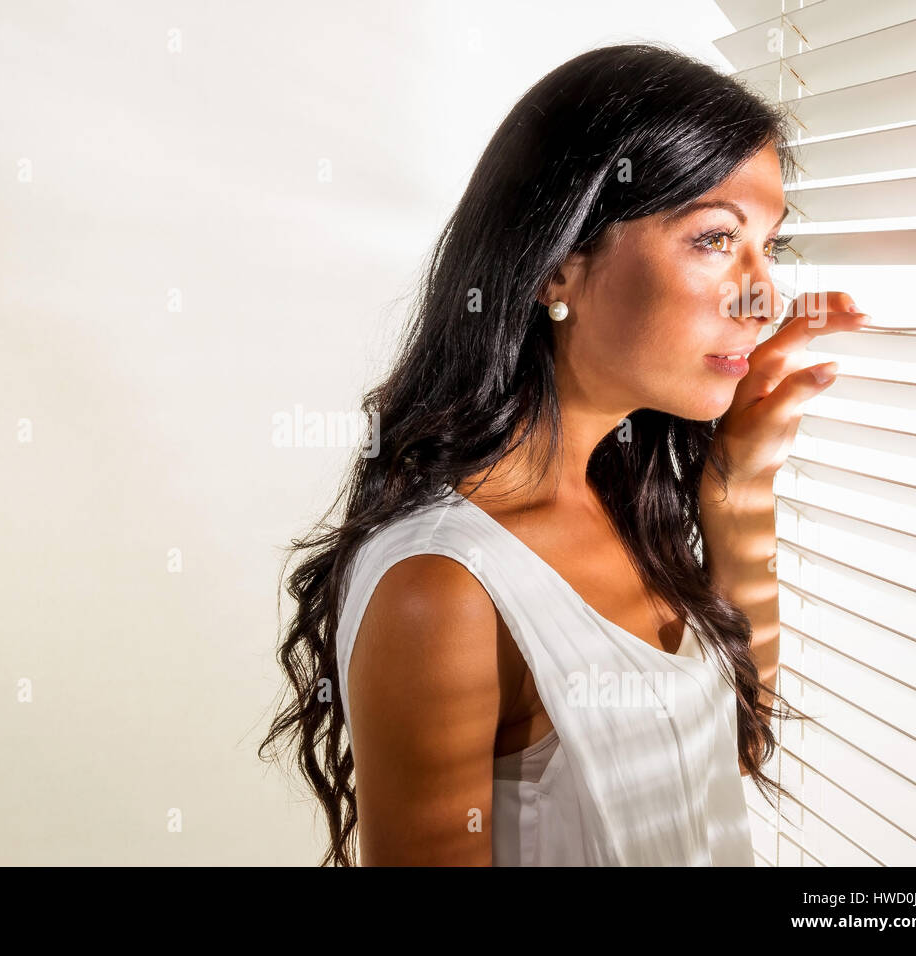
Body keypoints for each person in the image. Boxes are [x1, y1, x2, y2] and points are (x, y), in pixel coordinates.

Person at [261, 42, 870, 866]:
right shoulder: (442, 587)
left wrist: (740, 487)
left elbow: (717, 766)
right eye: (716, 239)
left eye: (773, 246)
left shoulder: (624, 501)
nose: (766, 298)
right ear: (557, 265)